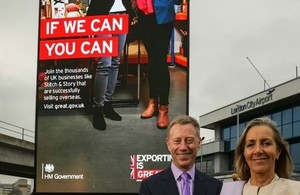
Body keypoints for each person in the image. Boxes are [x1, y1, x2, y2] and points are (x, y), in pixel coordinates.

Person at [139, 115, 223, 195]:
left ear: (199, 143)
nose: (183, 147)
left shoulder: (215, 187)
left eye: (189, 140)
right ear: (168, 144)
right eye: (177, 141)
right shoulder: (149, 187)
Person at [87, 0, 134, 130]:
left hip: (123, 15)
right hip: (103, 16)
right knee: (104, 63)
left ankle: (107, 103)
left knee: (115, 61)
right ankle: (98, 108)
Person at [137, 0, 181, 129]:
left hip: (163, 14)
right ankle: (152, 102)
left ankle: (163, 108)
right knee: (152, 61)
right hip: (145, 16)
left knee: (160, 61)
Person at [231, 117, 300, 195]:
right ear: (244, 154)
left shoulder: (296, 190)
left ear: (278, 151)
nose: (258, 151)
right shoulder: (228, 192)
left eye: (266, 143)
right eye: (250, 144)